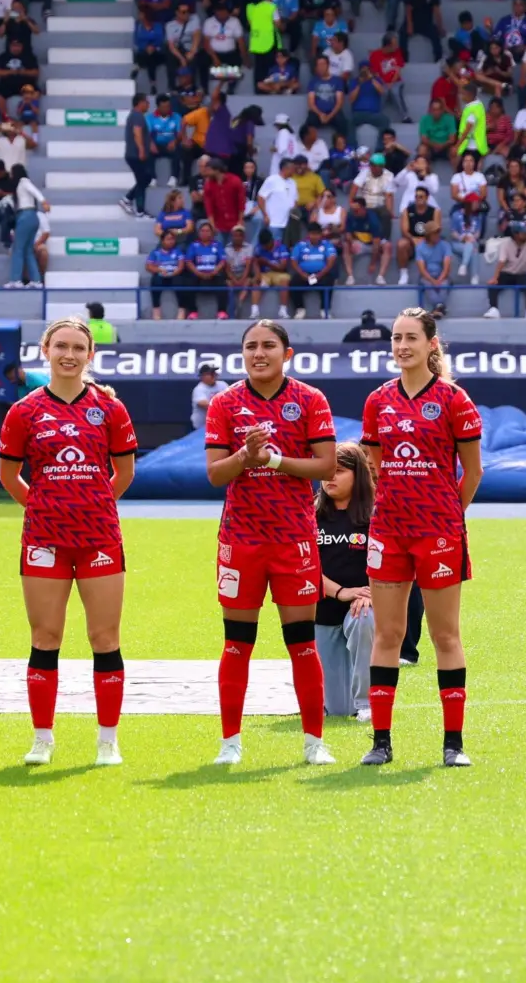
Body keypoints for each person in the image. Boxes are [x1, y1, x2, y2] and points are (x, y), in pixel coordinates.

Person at [0, 317, 137, 767]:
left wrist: (93, 505)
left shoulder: (110, 409)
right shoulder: (24, 411)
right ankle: (42, 739)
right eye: (61, 346)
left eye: (79, 348)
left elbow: (125, 473)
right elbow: (8, 476)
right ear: (46, 349)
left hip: (99, 538)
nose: (69, 355)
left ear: (90, 355)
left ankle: (107, 740)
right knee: (45, 636)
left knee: (105, 637)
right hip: (43, 538)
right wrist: (43, 507)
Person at [203, 321, 340, 765]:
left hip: (293, 540)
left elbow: (326, 467)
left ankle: (314, 742)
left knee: (301, 643)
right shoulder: (224, 403)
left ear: (287, 353)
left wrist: (273, 458)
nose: (258, 353)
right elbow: (214, 474)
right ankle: (230, 742)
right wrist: (245, 456)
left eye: (268, 346)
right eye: (250, 346)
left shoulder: (310, 399)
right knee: (236, 643)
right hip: (241, 540)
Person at [360, 308, 484, 768]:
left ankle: (453, 745)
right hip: (389, 531)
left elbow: (472, 472)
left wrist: (448, 515)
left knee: (444, 635)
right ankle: (380, 741)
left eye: (411, 338)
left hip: (439, 533)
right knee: (387, 634)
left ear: (432, 344)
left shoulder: (454, 400)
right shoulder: (377, 401)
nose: (401, 346)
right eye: (395, 338)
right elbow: (374, 463)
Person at [316, 443, 380, 721]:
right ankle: (343, 701)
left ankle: (367, 702)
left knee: (365, 617)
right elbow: (301, 567)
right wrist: (340, 592)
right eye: (327, 472)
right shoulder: (309, 515)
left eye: (339, 471)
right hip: (323, 612)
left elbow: (393, 563)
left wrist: (372, 594)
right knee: (338, 709)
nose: (330, 478)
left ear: (358, 475)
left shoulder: (378, 515)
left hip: (363, 607)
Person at [190, 363, 224, 432]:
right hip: (200, 428)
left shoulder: (222, 385)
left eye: (214, 373)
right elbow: (207, 406)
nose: (213, 375)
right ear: (202, 376)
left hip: (217, 427)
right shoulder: (199, 389)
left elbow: (232, 400)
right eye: (210, 373)